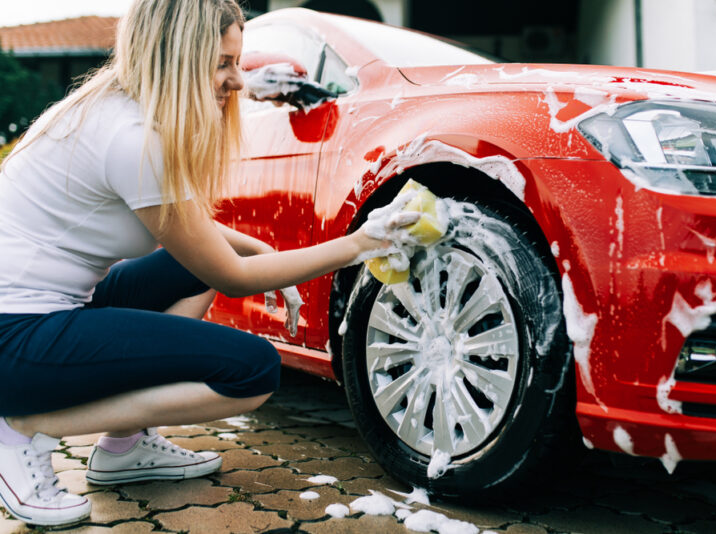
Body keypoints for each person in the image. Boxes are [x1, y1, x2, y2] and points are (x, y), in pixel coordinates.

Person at [0, 0, 413, 527]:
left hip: (46, 312)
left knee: (190, 266)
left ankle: (125, 446)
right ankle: (23, 426)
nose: (237, 81)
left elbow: (185, 230)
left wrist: (259, 248)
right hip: (15, 337)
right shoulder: (134, 139)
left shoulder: (112, 108)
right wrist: (363, 243)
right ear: (177, 58)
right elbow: (230, 277)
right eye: (223, 64)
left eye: (238, 63)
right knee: (252, 370)